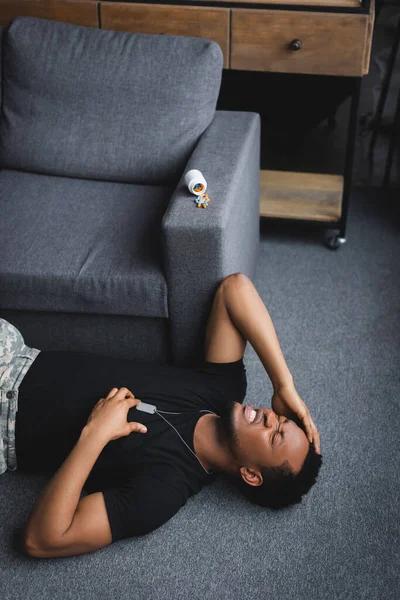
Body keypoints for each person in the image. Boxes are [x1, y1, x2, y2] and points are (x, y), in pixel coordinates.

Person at [0, 273, 322, 559]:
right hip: (16, 352)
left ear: (251, 474)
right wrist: (283, 385)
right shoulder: (223, 389)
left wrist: (95, 434)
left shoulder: (163, 491)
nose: (269, 416)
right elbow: (234, 288)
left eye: (276, 435)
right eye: (281, 419)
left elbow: (41, 540)